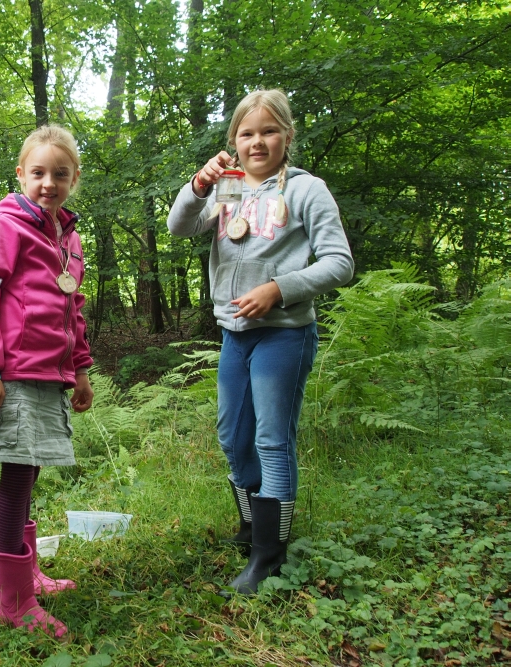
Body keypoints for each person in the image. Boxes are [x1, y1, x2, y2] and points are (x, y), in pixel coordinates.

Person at [167, 89, 354, 596]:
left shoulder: (306, 190)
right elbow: (179, 228)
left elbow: (340, 263)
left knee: (273, 439)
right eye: (247, 133)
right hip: (234, 333)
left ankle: (269, 556)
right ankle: (253, 527)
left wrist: (279, 289)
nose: (257, 141)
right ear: (234, 140)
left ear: (287, 137)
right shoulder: (228, 190)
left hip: (284, 334)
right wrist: (197, 185)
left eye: (268, 131)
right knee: (232, 436)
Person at [0, 124, 95, 638]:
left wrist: (80, 369)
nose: (48, 183)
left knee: (31, 472)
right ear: (20, 174)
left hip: (50, 374)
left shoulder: (70, 237)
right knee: (16, 477)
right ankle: (13, 601)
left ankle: (26, 571)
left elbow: (72, 307)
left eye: (60, 174)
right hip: (11, 372)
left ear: (73, 178)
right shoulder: (6, 225)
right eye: (37, 172)